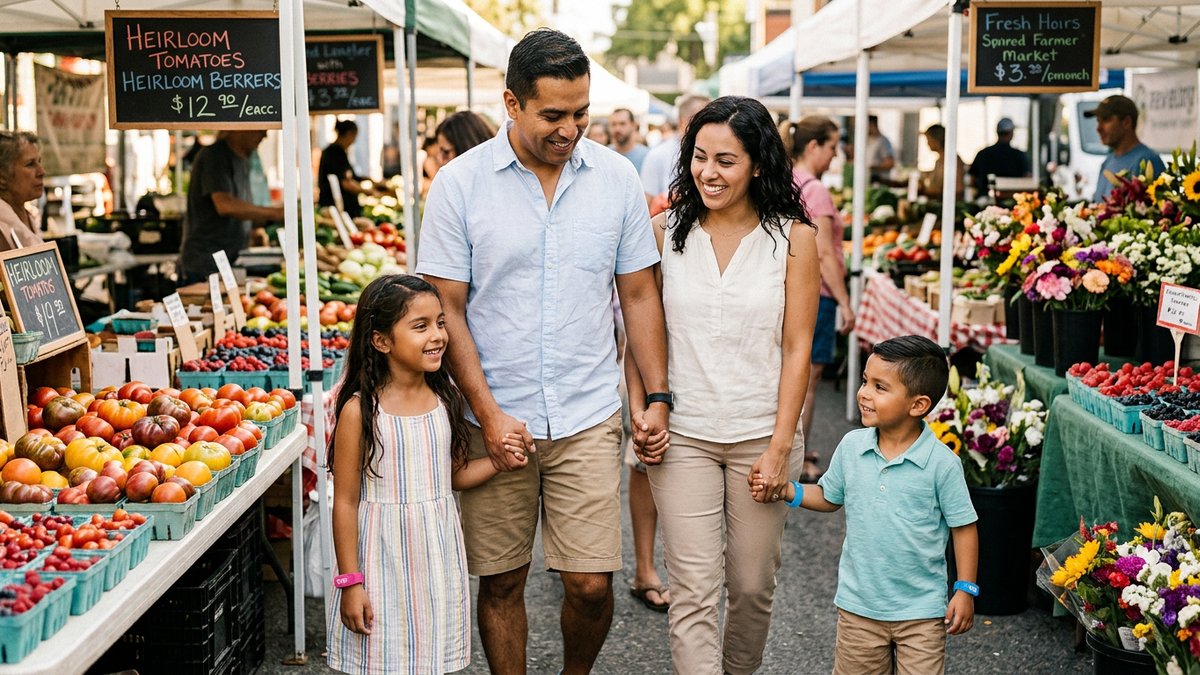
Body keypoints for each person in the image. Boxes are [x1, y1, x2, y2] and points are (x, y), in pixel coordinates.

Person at [417, 28, 669, 674]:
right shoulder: (458, 184)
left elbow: (639, 295)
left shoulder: (616, 179)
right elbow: (448, 308)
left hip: (587, 413)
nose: (571, 128)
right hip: (490, 413)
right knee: (501, 580)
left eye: (580, 113)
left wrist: (658, 394)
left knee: (590, 584)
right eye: (553, 115)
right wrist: (488, 412)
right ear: (511, 102)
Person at [625, 96, 820, 675]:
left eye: (726, 161)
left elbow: (798, 348)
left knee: (753, 585)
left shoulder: (795, 239)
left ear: (758, 164)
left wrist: (784, 444)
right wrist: (642, 411)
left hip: (762, 432)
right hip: (681, 433)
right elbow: (639, 335)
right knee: (692, 591)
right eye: (700, 158)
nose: (708, 173)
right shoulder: (663, 233)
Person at [753, 335, 979, 675]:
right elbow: (830, 496)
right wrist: (787, 490)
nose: (864, 393)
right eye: (864, 382)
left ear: (918, 405)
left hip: (921, 612)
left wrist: (965, 588)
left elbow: (964, 527)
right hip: (859, 607)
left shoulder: (941, 463)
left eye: (880, 387)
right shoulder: (851, 447)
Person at [326, 274, 511, 674]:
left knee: (431, 658)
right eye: (421, 325)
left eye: (441, 323)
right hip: (380, 561)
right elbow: (344, 501)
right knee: (381, 657)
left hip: (435, 560)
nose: (438, 335)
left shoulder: (447, 399)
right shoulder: (360, 412)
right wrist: (350, 581)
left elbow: (452, 477)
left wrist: (498, 461)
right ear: (381, 341)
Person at [785, 116, 856, 482]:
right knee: (807, 380)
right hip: (818, 294)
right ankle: (798, 461)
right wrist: (844, 301)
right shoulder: (815, 190)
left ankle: (795, 448)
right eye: (831, 146)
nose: (834, 154)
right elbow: (825, 253)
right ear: (813, 147)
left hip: (790, 288)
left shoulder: (785, 180)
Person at [179, 130, 283, 284]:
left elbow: (239, 203)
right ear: (239, 130)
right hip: (206, 264)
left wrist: (252, 229)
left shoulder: (243, 159)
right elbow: (225, 205)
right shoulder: (215, 156)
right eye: (260, 130)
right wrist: (275, 213)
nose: (264, 136)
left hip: (229, 261)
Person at [1086, 94, 1166, 202]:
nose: (1098, 128)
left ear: (1126, 122)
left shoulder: (1147, 161)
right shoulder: (1108, 161)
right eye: (1098, 121)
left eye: (1106, 120)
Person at [641, 94, 711, 211]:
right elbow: (646, 205)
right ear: (683, 121)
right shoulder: (658, 155)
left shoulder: (714, 153)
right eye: (705, 119)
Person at [319, 120, 379, 219]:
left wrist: (370, 180)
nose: (354, 141)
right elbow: (346, 183)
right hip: (338, 209)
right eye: (355, 136)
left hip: (339, 208)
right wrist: (368, 191)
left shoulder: (336, 152)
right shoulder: (336, 154)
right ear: (349, 134)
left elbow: (351, 176)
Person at [0, 130, 45, 253]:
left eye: (39, 162)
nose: (41, 172)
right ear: (2, 177)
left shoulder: (27, 216)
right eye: (30, 164)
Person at [968, 117, 1030, 196]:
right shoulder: (1019, 155)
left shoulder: (983, 154)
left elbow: (972, 180)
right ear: (1011, 133)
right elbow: (1026, 179)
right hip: (1014, 201)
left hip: (985, 200)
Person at [919, 124, 965, 200]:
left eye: (928, 139)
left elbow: (957, 190)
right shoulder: (939, 160)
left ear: (936, 140)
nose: (927, 143)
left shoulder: (951, 160)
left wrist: (923, 190)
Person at [865, 115, 896, 182]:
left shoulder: (883, 141)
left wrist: (871, 167)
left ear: (871, 125)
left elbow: (890, 163)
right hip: (869, 179)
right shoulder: (867, 140)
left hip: (880, 180)